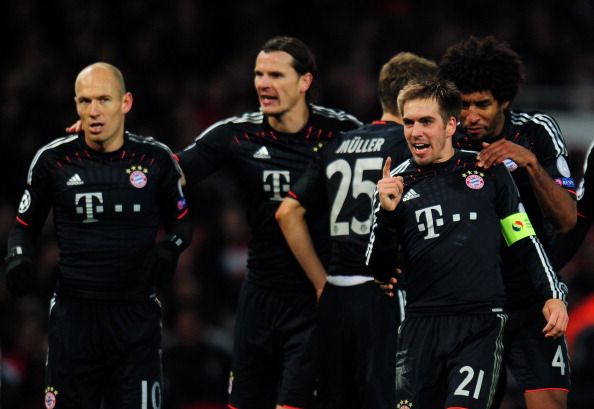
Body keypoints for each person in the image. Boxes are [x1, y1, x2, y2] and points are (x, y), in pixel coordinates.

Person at [177, 36, 362, 409]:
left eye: (276, 74)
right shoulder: (237, 134)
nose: (263, 83)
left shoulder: (343, 133)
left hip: (317, 293)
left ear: (305, 82)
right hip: (259, 294)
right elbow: (171, 172)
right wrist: (109, 142)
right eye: (259, 74)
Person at [365, 79, 568, 409]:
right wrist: (387, 214)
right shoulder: (395, 182)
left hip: (480, 324)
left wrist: (551, 295)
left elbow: (523, 238)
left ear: (450, 125)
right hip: (419, 327)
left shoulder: (488, 171)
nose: (415, 131)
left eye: (426, 122)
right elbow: (379, 269)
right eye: (409, 122)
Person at [2, 62, 192, 408]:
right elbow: (22, 227)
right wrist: (18, 258)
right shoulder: (52, 160)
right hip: (74, 320)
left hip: (135, 319)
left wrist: (169, 250)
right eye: (85, 101)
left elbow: (181, 224)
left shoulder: (156, 159)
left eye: (104, 99)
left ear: (126, 102)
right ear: (75, 104)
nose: (93, 111)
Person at [274, 52, 437, 409]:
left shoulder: (339, 144)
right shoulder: (411, 145)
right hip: (385, 293)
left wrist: (320, 282)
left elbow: (287, 212)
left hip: (335, 296)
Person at [438, 35, 577, 409]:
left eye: (482, 104)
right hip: (470, 306)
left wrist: (529, 162)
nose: (471, 116)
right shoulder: (446, 144)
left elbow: (566, 220)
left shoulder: (536, 132)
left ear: (505, 100)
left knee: (549, 403)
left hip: (531, 301)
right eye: (463, 104)